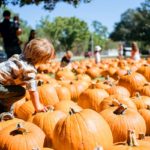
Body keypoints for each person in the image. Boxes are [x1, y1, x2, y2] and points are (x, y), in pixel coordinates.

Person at [0, 38, 55, 114]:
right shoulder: (29, 70)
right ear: (41, 59)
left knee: (14, 89)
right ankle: (2, 107)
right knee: (21, 92)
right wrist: (38, 106)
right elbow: (33, 91)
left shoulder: (19, 56)